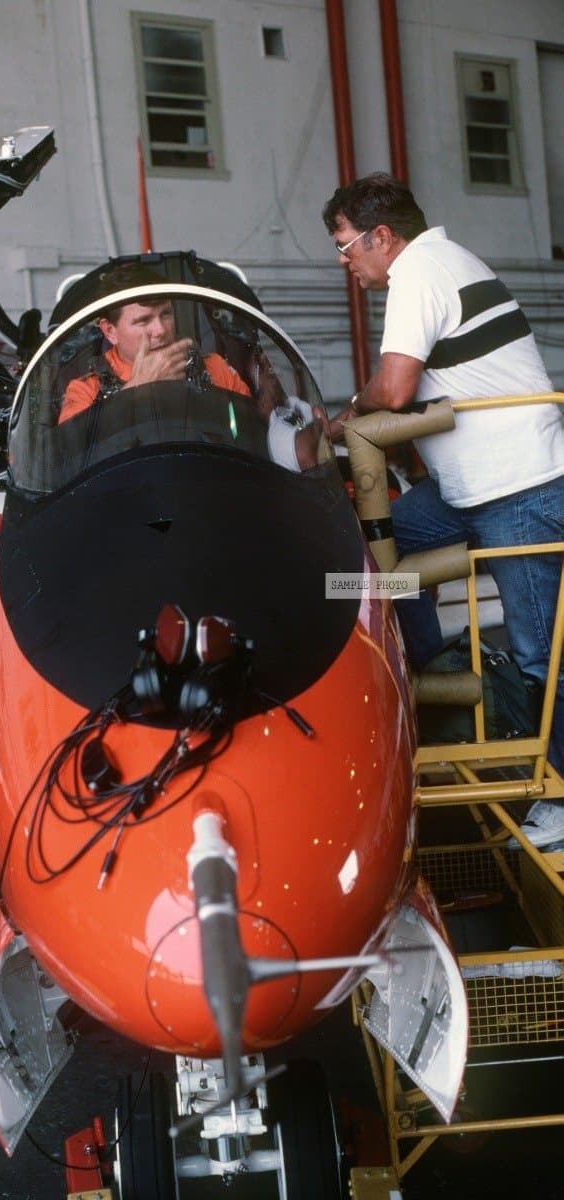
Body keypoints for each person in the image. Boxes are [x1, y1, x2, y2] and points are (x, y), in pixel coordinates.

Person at [322, 172, 564, 845]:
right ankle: (423, 666)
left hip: (518, 489)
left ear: (382, 236)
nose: (347, 264)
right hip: (468, 490)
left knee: (541, 655)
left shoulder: (421, 270)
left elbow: (395, 389)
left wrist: (344, 420)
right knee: (371, 548)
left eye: (348, 248)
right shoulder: (445, 262)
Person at [59, 296, 250, 423]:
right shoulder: (85, 390)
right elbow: (70, 455)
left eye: (166, 314)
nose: (160, 330)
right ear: (110, 331)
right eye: (143, 321)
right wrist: (136, 389)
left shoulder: (214, 368)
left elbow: (251, 432)